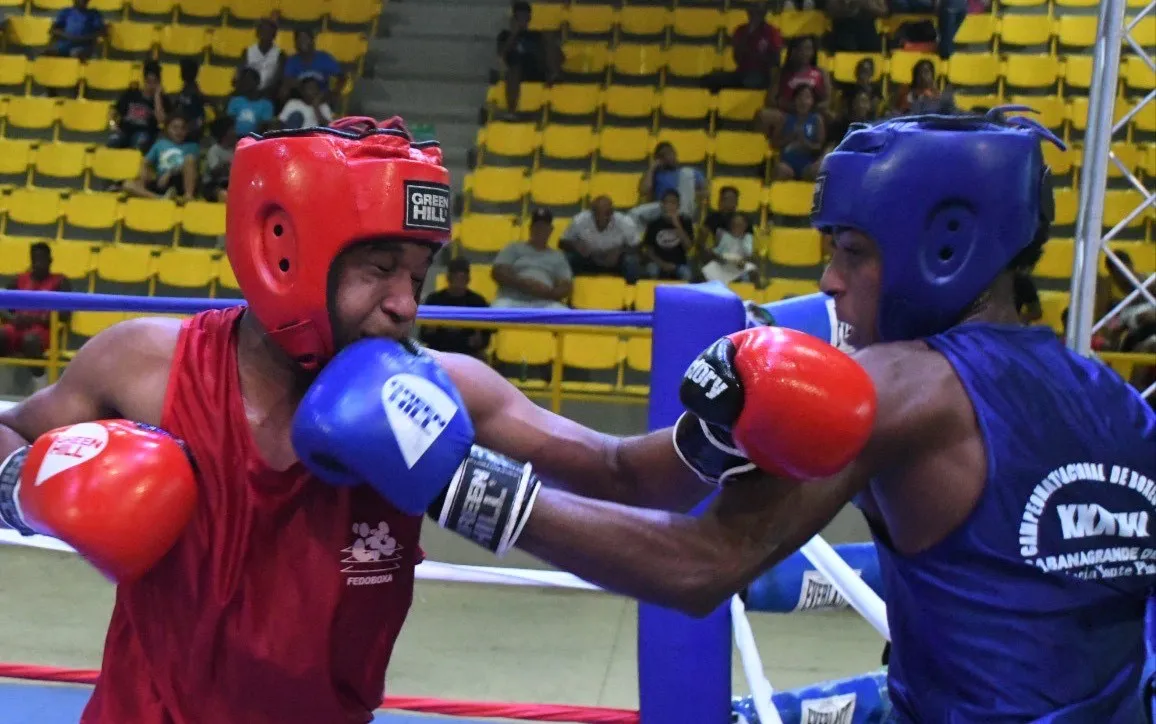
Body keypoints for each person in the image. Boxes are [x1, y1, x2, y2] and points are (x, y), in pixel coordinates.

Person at [295, 111, 1155, 721]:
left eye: (852, 252)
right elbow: (633, 474)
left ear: (945, 249)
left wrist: (451, 482)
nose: (829, 282)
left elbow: (701, 565)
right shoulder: (1118, 402)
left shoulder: (903, 387)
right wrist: (697, 441)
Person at [1, 242, 71, 366]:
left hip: (43, 329)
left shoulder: (61, 282)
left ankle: (39, 375)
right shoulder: (19, 279)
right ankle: (11, 368)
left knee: (30, 340)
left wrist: (36, 319)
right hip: (17, 325)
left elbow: (65, 315)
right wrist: (12, 318)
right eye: (35, 260)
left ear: (50, 261)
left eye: (42, 260)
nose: (38, 264)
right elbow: (3, 304)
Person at [491, 207, 573, 309]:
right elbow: (498, 272)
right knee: (498, 308)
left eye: (544, 227)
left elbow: (566, 286)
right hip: (512, 299)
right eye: (537, 227)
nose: (540, 230)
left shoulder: (558, 256)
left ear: (551, 230)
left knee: (563, 313)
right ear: (530, 228)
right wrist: (523, 283)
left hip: (545, 302)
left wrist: (547, 292)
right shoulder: (513, 248)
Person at [495, 1, 562, 119]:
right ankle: (512, 111)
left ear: (529, 18)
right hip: (518, 71)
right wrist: (514, 34)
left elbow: (560, 56)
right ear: (514, 18)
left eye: (525, 16)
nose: (522, 20)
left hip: (536, 67)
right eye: (519, 16)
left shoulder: (536, 35)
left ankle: (553, 74)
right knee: (513, 71)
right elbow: (502, 54)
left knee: (548, 36)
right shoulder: (504, 35)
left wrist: (549, 43)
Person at [558, 195, 640, 283]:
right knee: (566, 258)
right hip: (588, 258)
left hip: (614, 261)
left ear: (612, 211)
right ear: (592, 211)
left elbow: (638, 247)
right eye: (598, 213)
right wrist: (575, 245)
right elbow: (562, 243)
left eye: (608, 213)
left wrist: (620, 250)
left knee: (631, 261)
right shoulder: (579, 220)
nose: (603, 217)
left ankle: (631, 289)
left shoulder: (625, 222)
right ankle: (568, 287)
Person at [420, 258, 491, 359]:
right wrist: (430, 331)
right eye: (456, 277)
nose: (458, 282)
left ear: (468, 279)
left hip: (468, 353)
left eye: (462, 278)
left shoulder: (477, 301)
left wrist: (479, 341)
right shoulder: (434, 299)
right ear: (448, 278)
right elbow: (424, 335)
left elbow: (485, 337)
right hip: (439, 350)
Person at [124, 114, 199, 202]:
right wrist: (145, 177)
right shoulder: (160, 144)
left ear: (187, 131)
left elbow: (191, 166)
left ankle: (188, 197)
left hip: (179, 181)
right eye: (175, 128)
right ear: (167, 129)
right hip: (161, 182)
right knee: (128, 184)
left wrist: (170, 173)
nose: (179, 131)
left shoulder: (192, 146)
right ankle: (160, 198)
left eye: (183, 128)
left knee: (190, 159)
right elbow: (146, 162)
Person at [109, 61, 165, 153]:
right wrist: (113, 125)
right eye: (148, 81)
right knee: (113, 140)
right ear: (144, 80)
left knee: (140, 141)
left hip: (144, 132)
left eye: (154, 82)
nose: (151, 86)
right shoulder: (131, 93)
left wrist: (157, 97)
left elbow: (161, 120)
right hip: (124, 130)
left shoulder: (162, 99)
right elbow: (113, 111)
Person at [640, 189, 693, 281]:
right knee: (651, 271)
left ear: (678, 205)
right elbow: (648, 251)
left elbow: (688, 247)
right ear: (662, 205)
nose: (670, 206)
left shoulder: (685, 222)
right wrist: (662, 264)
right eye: (667, 202)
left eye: (673, 203)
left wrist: (677, 225)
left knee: (687, 274)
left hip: (679, 263)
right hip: (658, 263)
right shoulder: (654, 224)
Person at [227, 67, 276, 137]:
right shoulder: (235, 101)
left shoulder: (266, 104)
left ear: (257, 82)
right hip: (235, 138)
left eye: (247, 80)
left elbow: (264, 127)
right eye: (242, 80)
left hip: (255, 138)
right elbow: (230, 123)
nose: (244, 83)